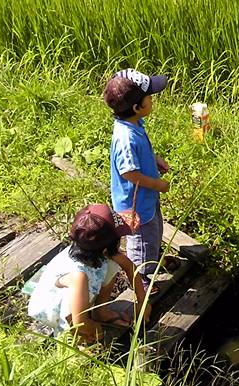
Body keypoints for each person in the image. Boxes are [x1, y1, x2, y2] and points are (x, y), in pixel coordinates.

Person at [27, 204, 148, 341]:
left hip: (77, 292)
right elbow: (80, 323)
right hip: (54, 307)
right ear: (106, 248)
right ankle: (73, 339)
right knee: (89, 332)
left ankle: (100, 312)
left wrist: (143, 303)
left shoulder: (92, 250)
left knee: (112, 265)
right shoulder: (78, 276)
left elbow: (130, 267)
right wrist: (96, 329)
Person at [103, 68, 170, 287]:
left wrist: (154, 158)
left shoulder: (133, 123)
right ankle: (139, 276)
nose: (152, 100)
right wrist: (156, 184)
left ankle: (152, 258)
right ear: (136, 107)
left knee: (154, 229)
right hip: (135, 205)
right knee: (140, 239)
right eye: (149, 97)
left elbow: (140, 155)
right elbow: (128, 172)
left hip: (146, 199)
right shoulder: (125, 138)